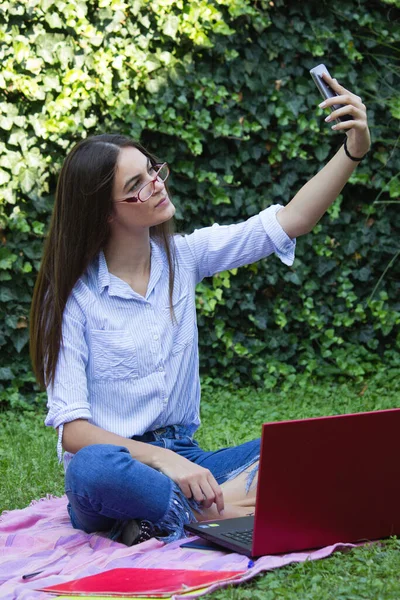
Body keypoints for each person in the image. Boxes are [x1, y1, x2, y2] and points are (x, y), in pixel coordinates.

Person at [30, 73, 370, 545]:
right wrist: (165, 462)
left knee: (303, 451)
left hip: (192, 459)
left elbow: (290, 219)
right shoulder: (72, 297)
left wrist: (353, 148)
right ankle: (214, 510)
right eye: (138, 184)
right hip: (122, 468)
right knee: (93, 469)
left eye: (152, 171)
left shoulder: (184, 257)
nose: (156, 184)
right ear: (105, 212)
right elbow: (74, 433)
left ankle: (178, 514)